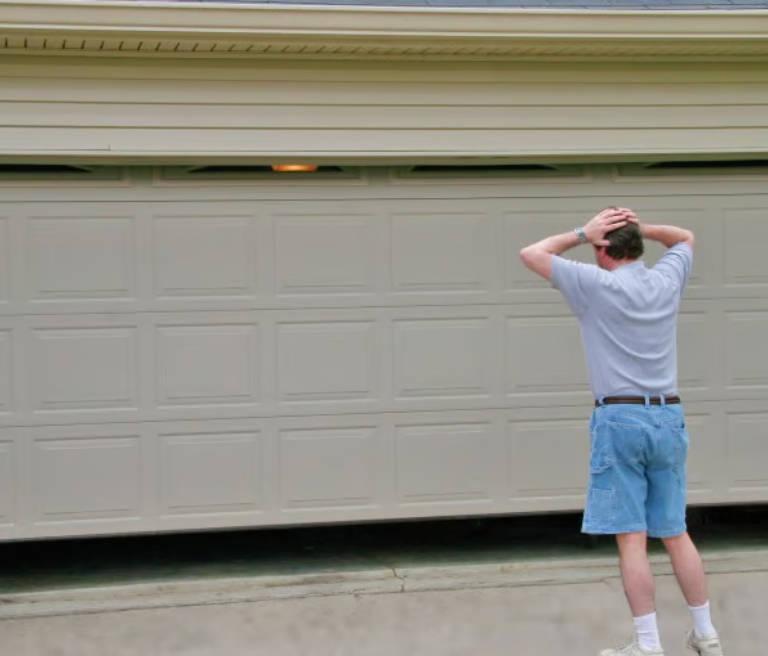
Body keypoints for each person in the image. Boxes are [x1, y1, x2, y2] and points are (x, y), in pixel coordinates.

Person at [519, 208, 724, 656]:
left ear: (603, 250)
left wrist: (582, 232)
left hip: (620, 418)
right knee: (675, 532)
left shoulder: (595, 285)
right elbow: (685, 236)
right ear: (637, 246)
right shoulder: (666, 280)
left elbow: (531, 253)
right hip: (668, 415)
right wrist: (637, 228)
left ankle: (649, 645)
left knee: (632, 536)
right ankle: (707, 635)